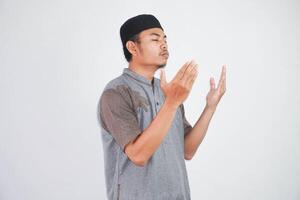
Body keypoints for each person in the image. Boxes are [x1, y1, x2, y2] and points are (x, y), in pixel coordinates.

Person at [97, 14, 226, 200]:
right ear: (132, 47)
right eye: (155, 39)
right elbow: (138, 155)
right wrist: (172, 103)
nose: (164, 44)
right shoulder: (116, 92)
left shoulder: (167, 91)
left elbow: (187, 150)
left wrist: (210, 107)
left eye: (165, 39)